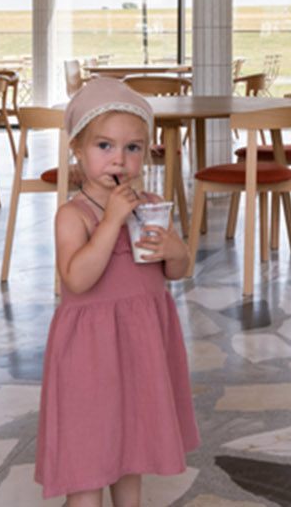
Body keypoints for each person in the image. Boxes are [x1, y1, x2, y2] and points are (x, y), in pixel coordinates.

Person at [35, 77, 198, 506]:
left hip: (139, 348)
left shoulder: (151, 204)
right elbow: (78, 278)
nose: (119, 160)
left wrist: (175, 248)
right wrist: (111, 221)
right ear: (77, 150)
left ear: (146, 152)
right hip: (90, 357)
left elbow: (177, 272)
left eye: (133, 147)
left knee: (131, 455)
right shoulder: (75, 216)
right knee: (88, 465)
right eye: (104, 146)